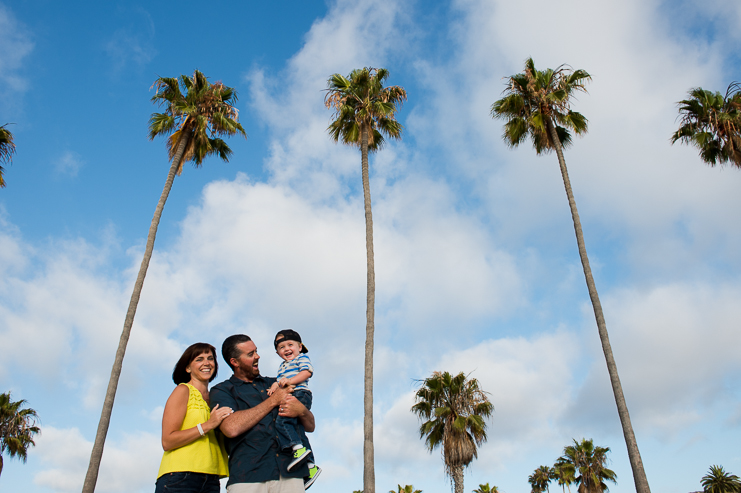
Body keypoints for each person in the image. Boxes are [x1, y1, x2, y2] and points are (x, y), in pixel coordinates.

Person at [210, 335, 320, 493]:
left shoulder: (276, 383)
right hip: (248, 478)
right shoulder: (222, 390)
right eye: (250, 354)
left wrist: (301, 410)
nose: (257, 356)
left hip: (290, 478)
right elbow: (230, 428)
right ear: (234, 362)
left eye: (256, 351)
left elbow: (310, 426)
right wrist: (273, 401)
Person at [155, 342, 234, 493]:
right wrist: (208, 425)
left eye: (210, 358)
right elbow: (167, 441)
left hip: (211, 479)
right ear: (188, 368)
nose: (206, 363)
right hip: (179, 477)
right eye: (199, 359)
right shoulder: (183, 390)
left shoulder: (216, 398)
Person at [267, 330, 318, 477]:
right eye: (282, 347)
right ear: (277, 353)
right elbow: (279, 380)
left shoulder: (301, 358)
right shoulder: (282, 366)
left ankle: (297, 449)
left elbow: (307, 372)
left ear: (300, 347)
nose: (287, 349)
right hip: (291, 394)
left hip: (300, 394)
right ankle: (311, 466)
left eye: (290, 345)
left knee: (282, 422)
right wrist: (274, 387)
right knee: (297, 428)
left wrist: (289, 381)